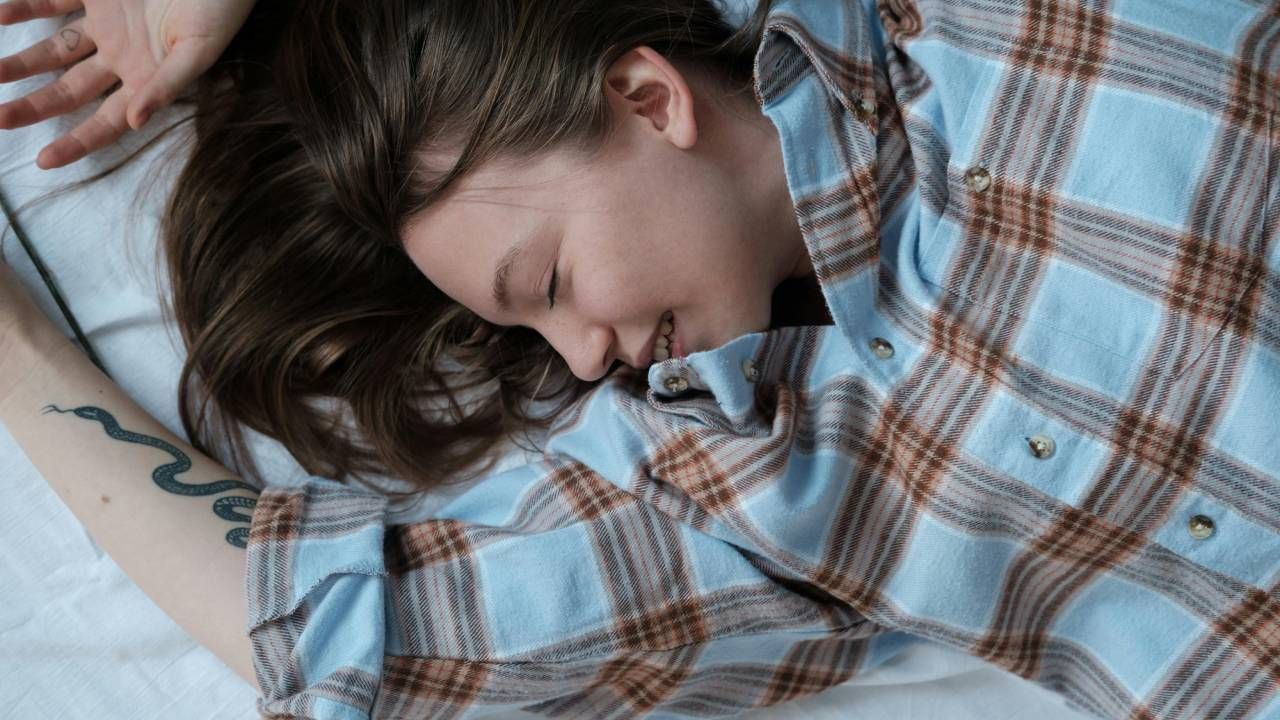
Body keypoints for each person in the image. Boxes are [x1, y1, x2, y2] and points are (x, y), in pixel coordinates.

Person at [1, 0, 1278, 718]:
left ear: (645, 96)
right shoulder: (737, 476)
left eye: (546, 285)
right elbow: (348, 634)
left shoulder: (994, 26)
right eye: (529, 333)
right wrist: (15, 347)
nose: (582, 356)